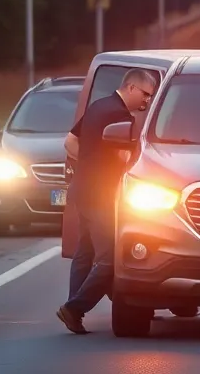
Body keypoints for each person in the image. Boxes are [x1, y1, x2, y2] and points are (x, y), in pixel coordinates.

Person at [57, 68, 158, 334]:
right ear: (132, 88)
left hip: (82, 189)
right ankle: (75, 308)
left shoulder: (98, 106)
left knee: (85, 252)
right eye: (146, 94)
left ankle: (72, 311)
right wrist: (103, 170)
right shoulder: (119, 116)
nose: (147, 100)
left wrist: (89, 166)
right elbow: (125, 162)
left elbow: (69, 142)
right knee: (110, 259)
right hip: (101, 195)